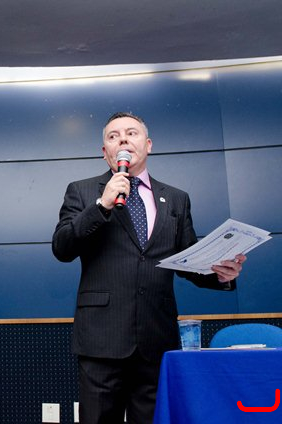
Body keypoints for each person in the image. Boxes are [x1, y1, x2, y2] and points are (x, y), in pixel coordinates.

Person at [52, 112, 245, 424]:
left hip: (157, 338)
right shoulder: (82, 191)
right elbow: (62, 247)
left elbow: (186, 261)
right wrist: (101, 205)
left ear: (149, 144)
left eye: (132, 133)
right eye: (113, 136)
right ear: (105, 151)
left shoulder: (177, 199)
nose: (123, 140)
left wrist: (220, 274)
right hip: (102, 339)